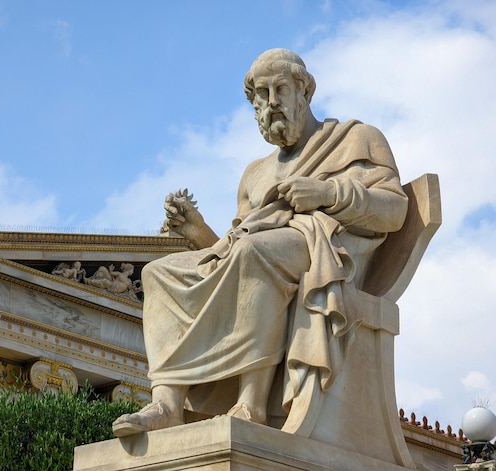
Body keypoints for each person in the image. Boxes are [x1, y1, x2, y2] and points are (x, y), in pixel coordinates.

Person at [112, 48, 408, 437]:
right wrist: (198, 231)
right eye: (260, 97)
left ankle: (250, 403)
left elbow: (394, 209)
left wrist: (326, 193)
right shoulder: (255, 173)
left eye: (280, 89)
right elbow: (232, 255)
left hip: (327, 254)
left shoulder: (355, 139)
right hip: (261, 253)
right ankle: (168, 403)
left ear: (305, 92)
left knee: (256, 253)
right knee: (157, 273)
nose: (271, 104)